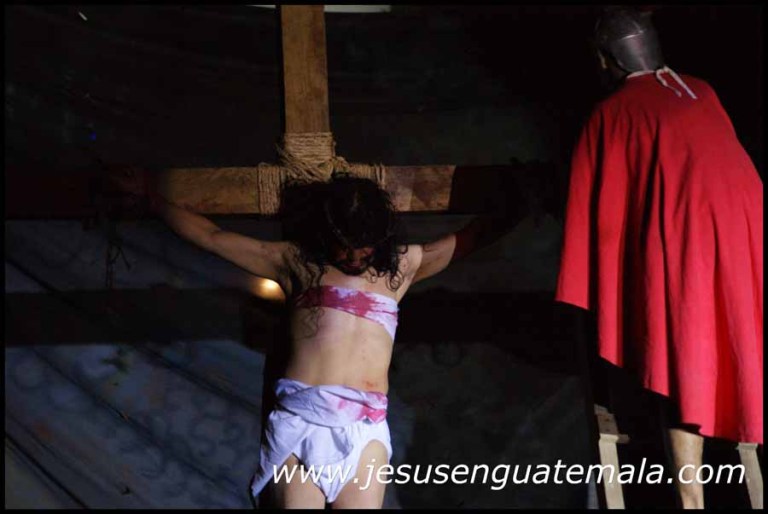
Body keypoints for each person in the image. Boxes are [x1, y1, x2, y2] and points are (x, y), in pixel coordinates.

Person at [112, 169, 515, 508]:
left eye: (364, 249)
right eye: (345, 247)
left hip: (364, 430)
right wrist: (152, 199)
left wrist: (522, 203)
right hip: (302, 423)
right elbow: (212, 237)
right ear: (328, 233)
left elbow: (470, 239)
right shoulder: (298, 263)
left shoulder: (400, 268)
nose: (355, 257)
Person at [555, 7, 763, 509]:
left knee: (680, 357)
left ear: (606, 59)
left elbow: (597, 216)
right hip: (745, 233)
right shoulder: (700, 90)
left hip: (689, 243)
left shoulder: (613, 113)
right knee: (728, 338)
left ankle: (692, 502)